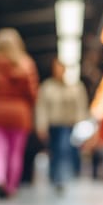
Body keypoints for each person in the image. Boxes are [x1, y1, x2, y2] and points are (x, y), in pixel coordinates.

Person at [0, 28, 39, 198]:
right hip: (19, 114)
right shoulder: (26, 64)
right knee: (15, 152)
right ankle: (11, 186)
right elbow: (32, 94)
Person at [35, 58, 89, 191]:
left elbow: (80, 106)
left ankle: (61, 177)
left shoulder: (74, 87)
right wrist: (41, 126)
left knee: (63, 149)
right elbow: (41, 108)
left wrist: (79, 122)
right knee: (54, 151)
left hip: (67, 124)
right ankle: (54, 176)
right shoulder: (47, 87)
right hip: (52, 124)